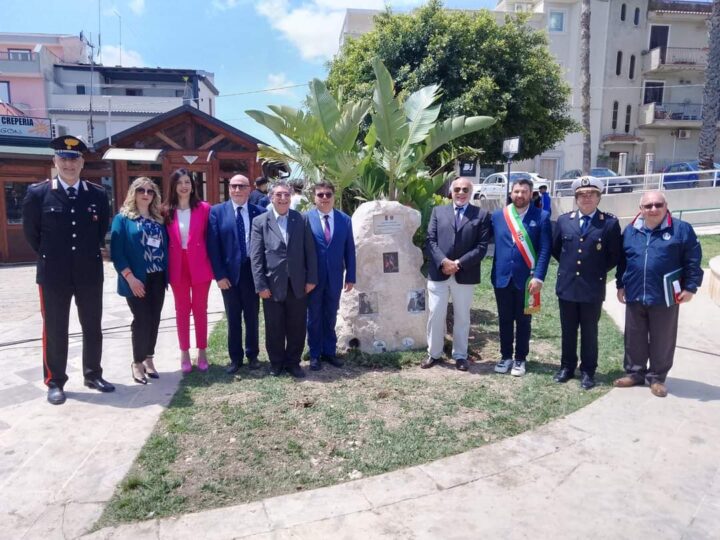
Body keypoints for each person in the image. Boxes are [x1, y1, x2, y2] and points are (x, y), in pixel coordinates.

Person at [22, 135, 114, 405]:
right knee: (55, 328)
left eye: (74, 159)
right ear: (55, 161)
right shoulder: (38, 193)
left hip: (88, 273)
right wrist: (55, 256)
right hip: (54, 274)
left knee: (92, 326)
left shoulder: (97, 194)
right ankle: (55, 380)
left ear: (82, 162)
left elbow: (99, 231)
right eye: (63, 158)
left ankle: (93, 374)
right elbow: (32, 234)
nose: (69, 164)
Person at [614, 190, 702, 397]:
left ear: (666, 205)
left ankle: (657, 378)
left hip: (665, 294)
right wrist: (620, 284)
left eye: (658, 205)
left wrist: (691, 287)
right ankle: (635, 373)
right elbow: (622, 261)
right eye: (648, 206)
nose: (653, 209)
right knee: (634, 336)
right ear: (641, 209)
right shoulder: (630, 231)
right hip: (635, 292)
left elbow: (693, 260)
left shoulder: (681, 230)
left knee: (662, 337)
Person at [551, 177, 622, 389]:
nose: (586, 197)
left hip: (592, 287)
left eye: (591, 193)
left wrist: (596, 271)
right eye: (582, 194)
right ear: (576, 198)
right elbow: (557, 249)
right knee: (568, 330)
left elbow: (614, 255)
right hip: (567, 287)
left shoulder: (608, 223)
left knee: (590, 331)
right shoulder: (564, 221)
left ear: (599, 197)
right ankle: (567, 366)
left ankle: (588, 371)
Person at [250, 181, 318, 378]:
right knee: (274, 326)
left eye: (286, 195)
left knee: (297, 326)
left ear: (290, 197)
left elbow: (310, 251)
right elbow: (256, 256)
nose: (283, 198)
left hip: (298, 284)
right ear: (271, 197)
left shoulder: (301, 219)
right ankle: (276, 363)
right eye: (278, 195)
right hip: (272, 285)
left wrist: (311, 279)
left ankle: (293, 363)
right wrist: (260, 284)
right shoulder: (260, 222)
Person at [424, 177, 490, 371]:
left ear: (471, 193)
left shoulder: (481, 215)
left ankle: (460, 355)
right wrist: (444, 261)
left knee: (462, 316)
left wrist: (458, 264)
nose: (461, 193)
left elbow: (482, 247)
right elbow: (430, 241)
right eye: (457, 189)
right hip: (439, 272)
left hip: (465, 274)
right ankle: (434, 354)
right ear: (451, 192)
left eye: (465, 190)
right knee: (436, 314)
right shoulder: (438, 212)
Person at [110, 177, 169, 385]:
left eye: (150, 191)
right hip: (136, 279)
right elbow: (117, 253)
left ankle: (149, 358)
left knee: (154, 319)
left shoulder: (158, 219)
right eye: (141, 190)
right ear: (133, 193)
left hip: (158, 277)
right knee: (141, 320)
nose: (145, 194)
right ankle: (136, 362)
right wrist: (130, 278)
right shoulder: (123, 219)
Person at [491, 178, 552, 377]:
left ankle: (520, 358)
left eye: (524, 191)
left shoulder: (542, 216)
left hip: (527, 279)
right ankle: (506, 356)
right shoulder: (499, 216)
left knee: (524, 321)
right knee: (505, 319)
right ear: (511, 193)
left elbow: (545, 250)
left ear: (531, 193)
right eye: (516, 191)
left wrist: (540, 277)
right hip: (502, 277)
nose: (520, 195)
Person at [207, 174, 266, 374]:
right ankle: (235, 358)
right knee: (233, 318)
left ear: (250, 189)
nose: (238, 190)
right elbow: (213, 247)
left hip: (252, 272)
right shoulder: (217, 212)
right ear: (229, 188)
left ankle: (253, 355)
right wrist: (219, 275)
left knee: (252, 316)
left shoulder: (260, 212)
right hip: (229, 276)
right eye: (234, 186)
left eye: (242, 186)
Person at [165, 168, 213, 374]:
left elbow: (210, 238)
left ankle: (202, 351)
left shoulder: (204, 208)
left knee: (200, 309)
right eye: (180, 183)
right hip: (177, 265)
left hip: (200, 264)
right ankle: (184, 352)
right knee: (181, 310)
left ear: (193, 186)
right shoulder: (165, 210)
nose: (184, 186)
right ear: (173, 186)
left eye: (187, 182)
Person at [305, 181, 356, 370]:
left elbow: (349, 250)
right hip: (313, 279)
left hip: (335, 278)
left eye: (328, 194)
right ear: (314, 197)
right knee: (313, 316)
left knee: (330, 315)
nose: (324, 198)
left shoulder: (344, 220)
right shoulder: (305, 219)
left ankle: (329, 352)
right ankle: (315, 353)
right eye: (320, 195)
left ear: (333, 197)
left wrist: (350, 275)